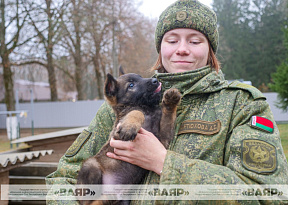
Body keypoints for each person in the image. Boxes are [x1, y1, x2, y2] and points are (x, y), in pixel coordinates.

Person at [46, 0, 288, 204]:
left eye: (195, 41)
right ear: (160, 48)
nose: (182, 49)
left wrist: (163, 162)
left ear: (211, 50)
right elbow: (62, 180)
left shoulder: (242, 104)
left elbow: (269, 195)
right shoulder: (123, 105)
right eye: (172, 40)